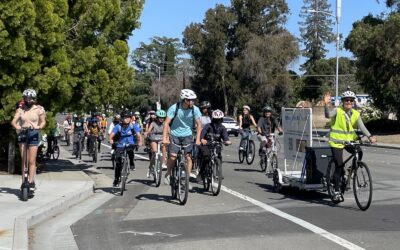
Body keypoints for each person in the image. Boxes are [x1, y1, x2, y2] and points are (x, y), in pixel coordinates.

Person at [323, 91, 377, 201]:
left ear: (353, 102)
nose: (349, 102)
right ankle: (337, 191)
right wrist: (326, 104)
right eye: (346, 100)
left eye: (351, 100)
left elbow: (362, 127)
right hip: (336, 142)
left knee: (359, 152)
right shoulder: (337, 111)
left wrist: (370, 136)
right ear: (343, 101)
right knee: (339, 165)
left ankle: (350, 170)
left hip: (349, 140)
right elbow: (328, 115)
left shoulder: (355, 114)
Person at [162, 89, 202, 189]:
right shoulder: (174, 108)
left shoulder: (195, 109)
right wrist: (165, 138)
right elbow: (166, 123)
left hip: (187, 136)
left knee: (188, 157)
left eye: (193, 100)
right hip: (174, 135)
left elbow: (199, 125)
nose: (193, 102)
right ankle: (168, 174)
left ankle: (186, 180)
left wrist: (197, 139)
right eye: (190, 100)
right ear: (184, 100)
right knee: (172, 157)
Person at [11, 89, 46, 190]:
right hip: (22, 133)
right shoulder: (20, 110)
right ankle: (24, 181)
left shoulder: (39, 109)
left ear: (34, 99)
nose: (29, 100)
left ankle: (30, 182)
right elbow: (14, 121)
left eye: (31, 99)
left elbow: (43, 122)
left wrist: (38, 127)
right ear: (24, 98)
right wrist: (16, 126)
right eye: (26, 98)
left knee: (31, 160)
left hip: (33, 133)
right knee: (24, 160)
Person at [109, 111, 142, 187]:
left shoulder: (133, 126)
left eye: (128, 118)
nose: (127, 119)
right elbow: (112, 135)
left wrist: (139, 141)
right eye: (125, 118)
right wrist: (110, 140)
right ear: (122, 119)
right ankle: (116, 179)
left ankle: (131, 163)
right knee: (118, 163)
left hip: (130, 143)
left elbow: (138, 135)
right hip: (120, 144)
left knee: (130, 151)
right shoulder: (118, 126)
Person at [198, 109, 231, 181]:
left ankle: (218, 172)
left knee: (219, 157)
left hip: (217, 145)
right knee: (206, 157)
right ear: (213, 119)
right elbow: (202, 134)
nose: (218, 121)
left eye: (219, 119)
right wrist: (202, 139)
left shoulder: (222, 128)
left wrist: (227, 141)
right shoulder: (208, 126)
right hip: (207, 144)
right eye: (216, 120)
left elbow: (225, 137)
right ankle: (201, 173)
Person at [146, 109, 167, 177]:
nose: (161, 119)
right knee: (154, 152)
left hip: (161, 139)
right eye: (160, 117)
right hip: (154, 138)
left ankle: (163, 163)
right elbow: (149, 130)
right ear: (157, 117)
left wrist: (168, 138)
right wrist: (147, 133)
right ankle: (150, 168)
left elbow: (169, 131)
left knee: (164, 148)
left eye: (163, 118)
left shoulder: (165, 123)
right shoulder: (153, 123)